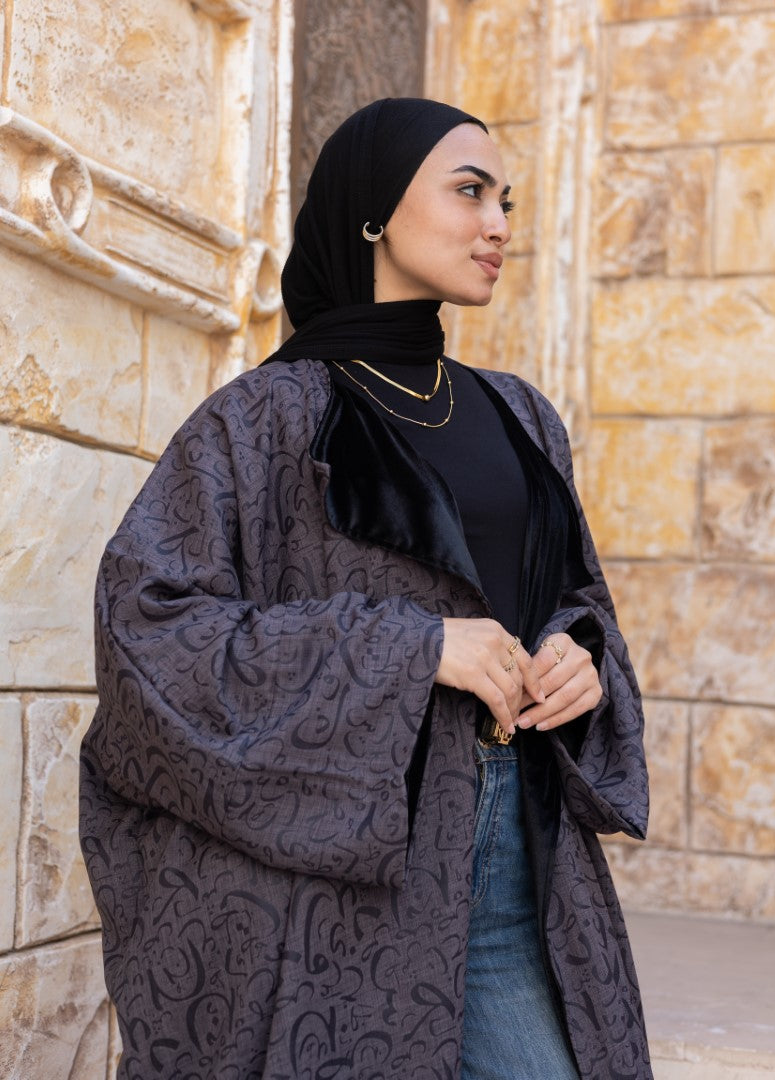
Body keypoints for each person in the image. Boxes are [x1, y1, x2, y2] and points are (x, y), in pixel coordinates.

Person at [79, 97, 652, 1080]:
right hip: (334, 883)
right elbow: (148, 627)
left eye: (506, 201)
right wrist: (418, 647)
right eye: (469, 192)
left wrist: (579, 656)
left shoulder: (521, 415)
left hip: (521, 853)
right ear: (375, 212)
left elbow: (575, 596)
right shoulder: (262, 419)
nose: (498, 225)